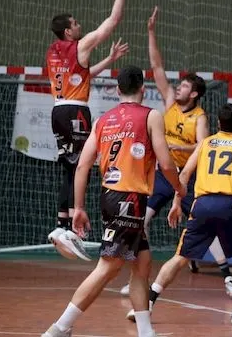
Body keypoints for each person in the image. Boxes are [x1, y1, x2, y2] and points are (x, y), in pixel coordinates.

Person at [41, 65, 185, 337]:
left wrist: (79, 208)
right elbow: (166, 163)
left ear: (118, 90)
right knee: (108, 268)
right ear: (144, 89)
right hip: (129, 198)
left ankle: (146, 332)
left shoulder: (103, 120)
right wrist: (180, 188)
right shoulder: (151, 116)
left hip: (111, 196)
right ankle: (59, 328)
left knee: (143, 263)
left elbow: (82, 167)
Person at [119, 7, 232, 298]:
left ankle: (228, 277)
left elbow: (203, 146)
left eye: (184, 85)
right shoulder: (170, 101)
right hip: (160, 175)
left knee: (203, 228)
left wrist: (175, 146)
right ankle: (137, 279)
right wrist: (150, 32)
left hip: (187, 180)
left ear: (194, 94)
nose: (178, 87)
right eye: (180, 84)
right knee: (140, 221)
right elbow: (157, 67)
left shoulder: (200, 118)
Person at [126, 103, 232, 325]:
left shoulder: (206, 143)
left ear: (218, 123)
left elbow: (186, 173)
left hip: (201, 203)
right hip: (229, 204)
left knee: (180, 257)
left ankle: (147, 304)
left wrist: (177, 202)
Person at [46, 0, 136, 260]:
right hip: (74, 114)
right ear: (68, 32)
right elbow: (113, 20)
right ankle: (72, 227)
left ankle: (61, 225)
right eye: (75, 24)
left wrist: (108, 62)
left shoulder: (54, 51)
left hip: (58, 111)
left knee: (68, 169)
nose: (79, 25)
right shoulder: (79, 45)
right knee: (79, 167)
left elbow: (80, 74)